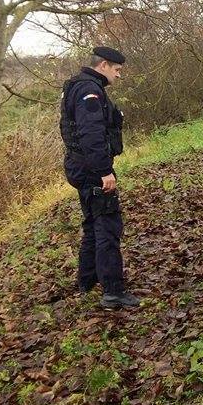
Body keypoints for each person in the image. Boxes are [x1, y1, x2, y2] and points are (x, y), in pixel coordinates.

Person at [59, 46, 140, 309]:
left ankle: (87, 281)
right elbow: (91, 134)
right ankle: (113, 291)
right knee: (107, 226)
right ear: (103, 65)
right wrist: (104, 171)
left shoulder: (80, 85)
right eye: (117, 70)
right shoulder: (89, 91)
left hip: (80, 166)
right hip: (92, 169)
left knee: (93, 223)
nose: (119, 75)